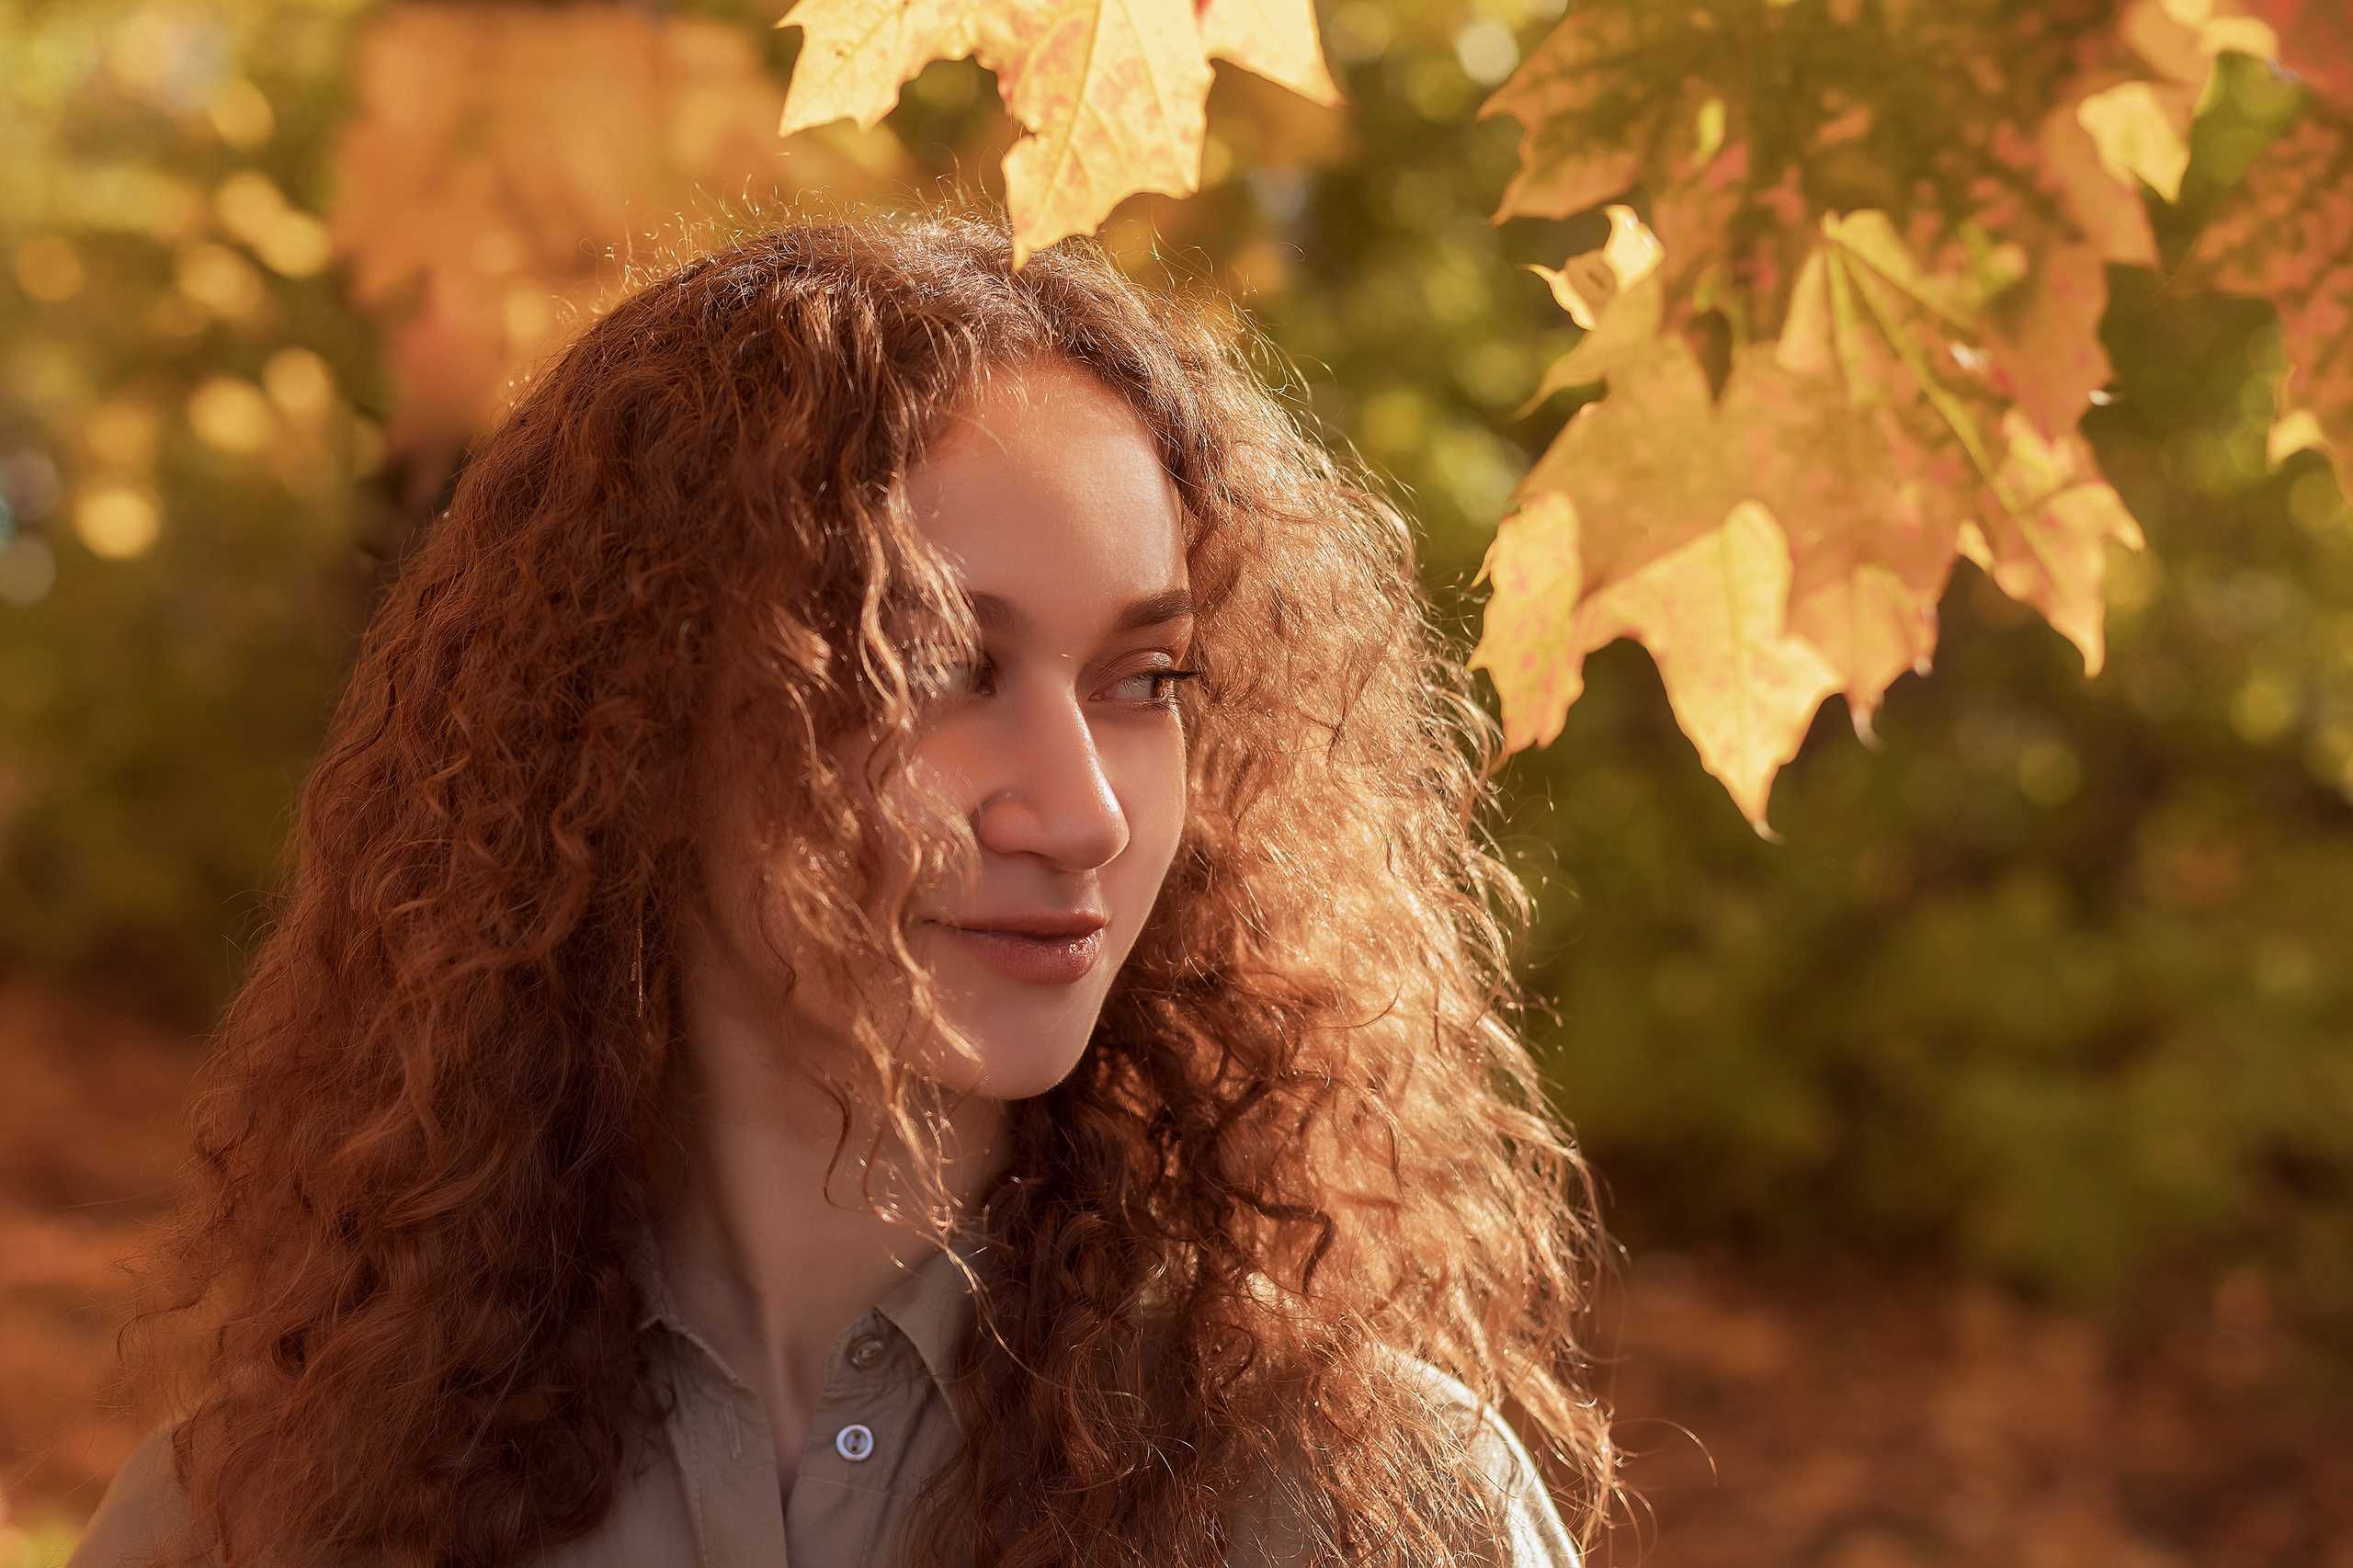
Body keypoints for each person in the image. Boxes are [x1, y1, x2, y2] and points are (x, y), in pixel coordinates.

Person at [70, 218, 1611, 1568]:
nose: (1079, 811)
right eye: (940, 663)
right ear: (636, 729)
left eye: (1145, 680)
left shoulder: (1369, 1505)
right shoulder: (263, 1524)